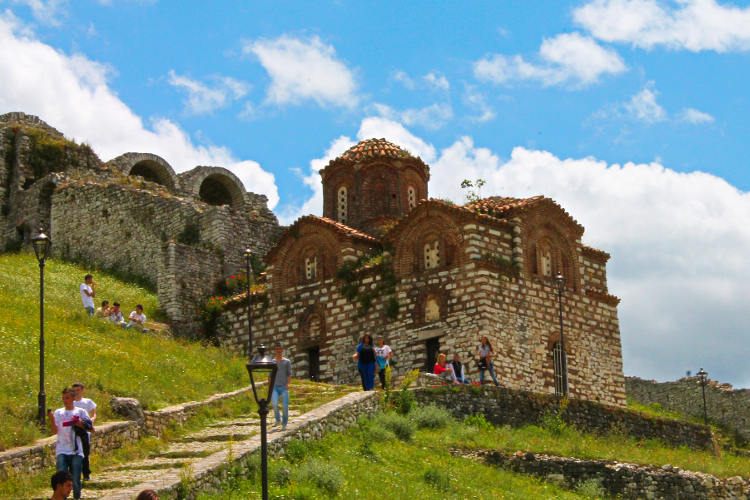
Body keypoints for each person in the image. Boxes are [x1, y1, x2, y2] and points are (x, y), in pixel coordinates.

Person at [48, 387, 93, 500]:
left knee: (75, 478)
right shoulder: (58, 412)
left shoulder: (80, 412)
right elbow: (54, 431)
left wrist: (79, 423)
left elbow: (91, 429)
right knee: (61, 478)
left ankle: (76, 497)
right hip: (62, 449)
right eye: (63, 398)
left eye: (67, 398)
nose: (65, 400)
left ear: (73, 398)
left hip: (76, 450)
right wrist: (52, 419)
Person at [72, 382, 96, 480]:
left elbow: (94, 414)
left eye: (78, 390)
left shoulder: (87, 402)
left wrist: (91, 421)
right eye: (74, 390)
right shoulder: (71, 403)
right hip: (74, 430)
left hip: (85, 429)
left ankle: (86, 473)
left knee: (85, 452)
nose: (76, 392)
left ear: (82, 390)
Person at [271, 344, 292, 431]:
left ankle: (284, 424)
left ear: (282, 350)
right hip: (274, 386)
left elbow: (289, 374)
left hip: (284, 386)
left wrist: (288, 384)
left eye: (280, 349)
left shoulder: (287, 361)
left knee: (285, 406)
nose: (278, 351)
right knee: (275, 404)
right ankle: (278, 419)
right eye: (277, 349)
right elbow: (270, 374)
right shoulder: (272, 362)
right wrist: (269, 384)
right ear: (274, 351)